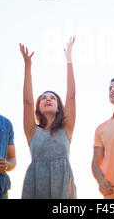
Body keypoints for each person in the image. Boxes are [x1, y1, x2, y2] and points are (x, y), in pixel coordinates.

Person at [20, 37, 77, 199]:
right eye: (43, 98)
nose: (48, 99)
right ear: (37, 108)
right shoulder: (32, 131)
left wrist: (69, 61)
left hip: (63, 189)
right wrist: (27, 66)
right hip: (36, 187)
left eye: (52, 97)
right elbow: (27, 102)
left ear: (59, 107)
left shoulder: (67, 129)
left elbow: (71, 97)